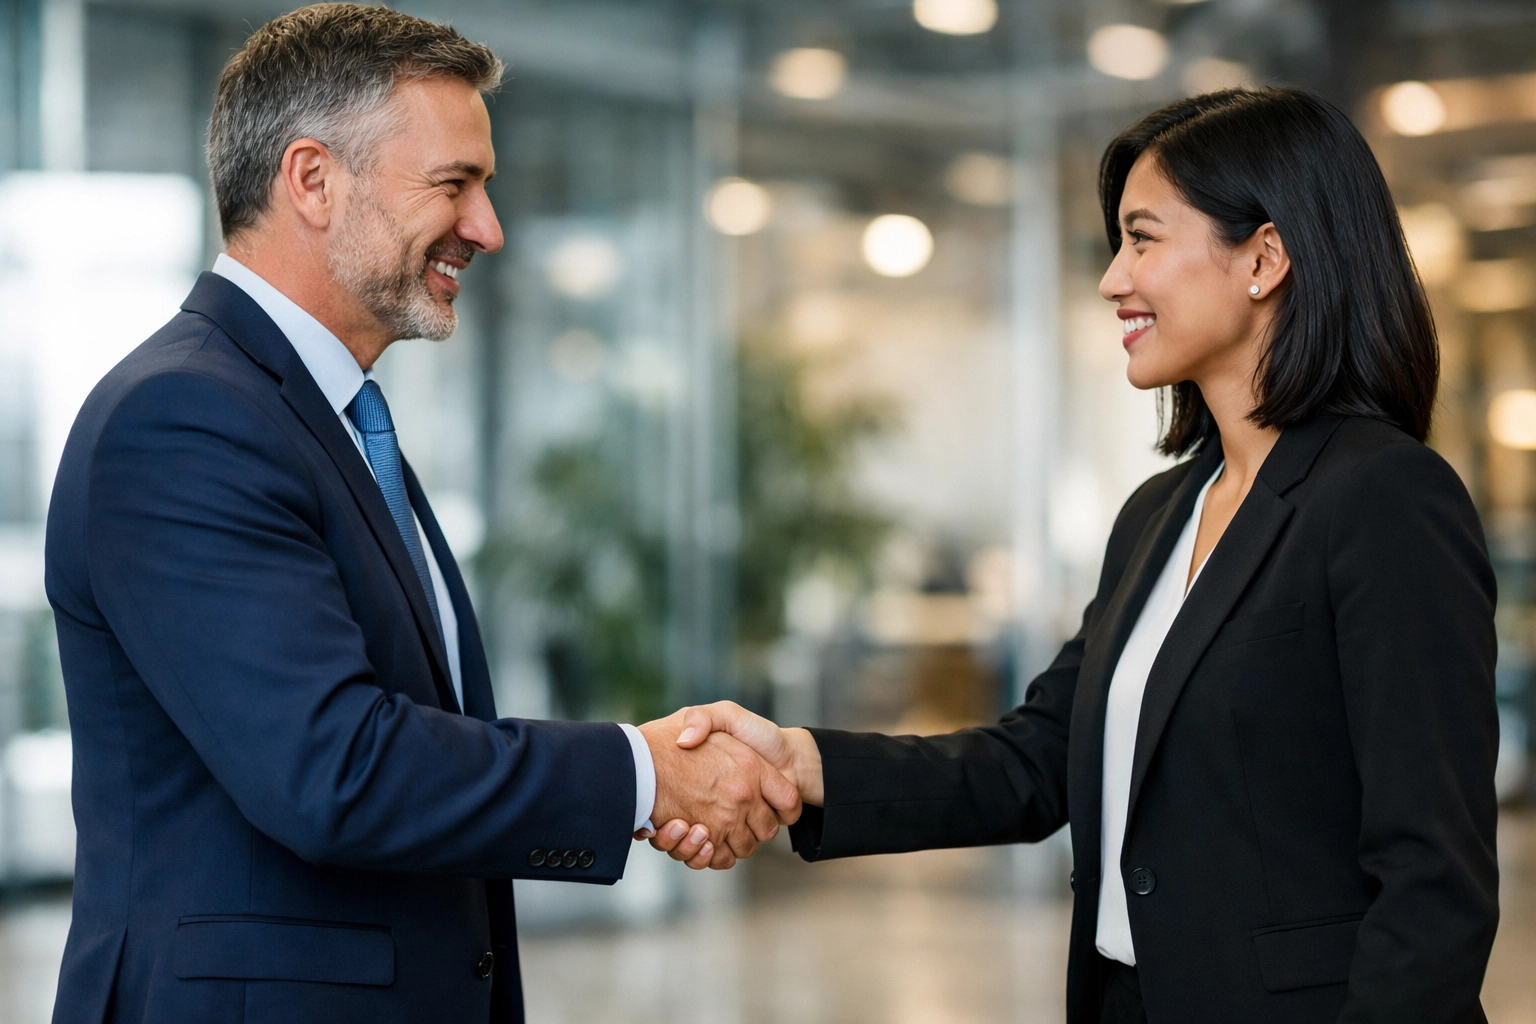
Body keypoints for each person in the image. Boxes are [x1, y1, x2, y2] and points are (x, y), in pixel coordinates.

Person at [654, 88, 1501, 1024]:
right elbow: (1041, 757)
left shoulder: (1383, 497)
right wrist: (800, 764)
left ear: (1264, 257)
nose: (1111, 280)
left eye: (1143, 239)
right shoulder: (1160, 512)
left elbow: (1434, 877)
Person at [44, 6, 796, 1023]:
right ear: (311, 179)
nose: (489, 227)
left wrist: (641, 780)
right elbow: (338, 767)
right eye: (455, 184)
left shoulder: (327, 414)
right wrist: (641, 775)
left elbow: (414, 739)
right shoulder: (186, 418)